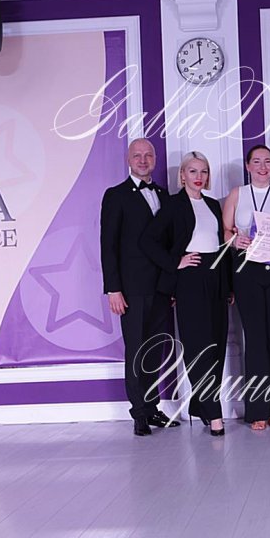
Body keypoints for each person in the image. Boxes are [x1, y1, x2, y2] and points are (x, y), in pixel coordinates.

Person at [140, 151, 231, 437]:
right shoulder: (173, 205)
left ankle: (200, 405)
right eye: (193, 171)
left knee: (216, 346)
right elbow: (148, 240)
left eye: (203, 171)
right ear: (182, 175)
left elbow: (221, 246)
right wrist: (174, 262)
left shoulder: (214, 205)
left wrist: (227, 284)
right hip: (190, 279)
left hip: (216, 278)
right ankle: (214, 413)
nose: (199, 177)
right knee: (197, 347)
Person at [100, 138, 177, 437]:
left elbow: (169, 244)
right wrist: (113, 289)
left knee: (155, 349)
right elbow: (108, 245)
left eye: (148, 155)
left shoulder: (164, 195)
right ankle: (139, 413)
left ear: (154, 159)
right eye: (137, 156)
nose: (143, 160)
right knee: (136, 350)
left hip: (161, 288)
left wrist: (171, 286)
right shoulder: (116, 195)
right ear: (128, 160)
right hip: (131, 289)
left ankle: (152, 406)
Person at [222, 145, 270, 431]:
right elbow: (226, 231)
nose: (263, 167)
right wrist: (235, 240)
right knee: (255, 339)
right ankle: (257, 409)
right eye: (257, 162)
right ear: (248, 166)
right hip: (247, 271)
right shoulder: (237, 194)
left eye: (267, 161)